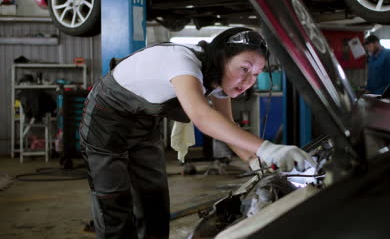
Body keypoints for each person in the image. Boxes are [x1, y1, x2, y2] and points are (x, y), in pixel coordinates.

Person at [79, 27, 314, 239]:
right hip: (105, 121)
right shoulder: (183, 62)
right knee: (114, 204)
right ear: (222, 57)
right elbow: (202, 116)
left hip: (143, 125)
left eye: (256, 74)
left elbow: (225, 125)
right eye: (244, 68)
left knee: (154, 201)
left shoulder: (218, 79)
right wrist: (267, 148)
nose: (248, 81)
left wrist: (254, 161)